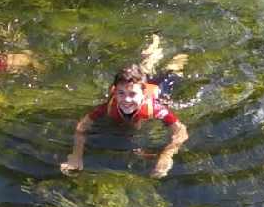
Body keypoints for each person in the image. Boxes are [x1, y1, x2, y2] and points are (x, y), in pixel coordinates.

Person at [60, 36, 189, 179]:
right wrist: (76, 155)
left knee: (172, 71)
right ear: (115, 91)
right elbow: (81, 127)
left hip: (159, 88)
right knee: (144, 70)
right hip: (139, 85)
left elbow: (181, 131)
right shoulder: (108, 106)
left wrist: (166, 155)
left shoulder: (156, 108)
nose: (126, 100)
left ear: (143, 93)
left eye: (132, 94)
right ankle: (152, 47)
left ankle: (179, 52)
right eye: (121, 93)